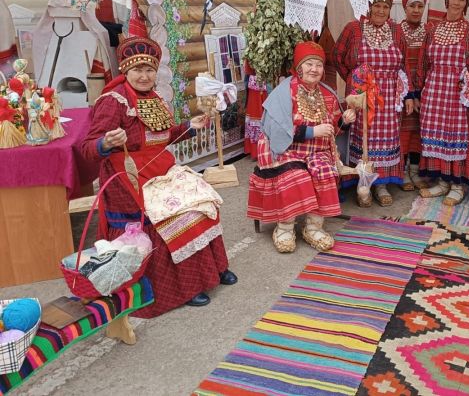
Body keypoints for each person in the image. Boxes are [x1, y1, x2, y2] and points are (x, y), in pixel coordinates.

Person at [81, 37, 236, 316]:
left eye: (149, 70)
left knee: (203, 204)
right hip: (126, 175)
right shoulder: (112, 101)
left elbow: (165, 138)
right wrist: (106, 142)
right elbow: (87, 147)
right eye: (137, 70)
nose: (144, 75)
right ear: (125, 72)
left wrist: (190, 126)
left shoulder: (155, 98)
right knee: (173, 218)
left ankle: (214, 270)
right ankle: (186, 287)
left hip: (161, 170)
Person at [247, 41, 356, 253]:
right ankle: (284, 228)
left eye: (319, 65)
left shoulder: (327, 94)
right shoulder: (284, 92)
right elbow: (277, 130)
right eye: (309, 64)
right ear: (299, 67)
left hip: (317, 151)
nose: (314, 69)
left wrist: (344, 121)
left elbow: (333, 130)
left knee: (324, 172)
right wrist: (312, 132)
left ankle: (313, 228)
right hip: (284, 149)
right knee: (296, 176)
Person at [332, 0, 407, 207]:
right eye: (377, 5)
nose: (381, 10)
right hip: (361, 94)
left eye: (385, 6)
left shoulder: (396, 30)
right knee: (363, 136)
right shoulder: (353, 28)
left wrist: (405, 92)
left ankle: (381, 183)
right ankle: (362, 180)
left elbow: (403, 63)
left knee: (386, 139)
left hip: (388, 95)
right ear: (368, 6)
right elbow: (337, 55)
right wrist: (352, 78)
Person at [414, 0, 469, 206]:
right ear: (446, 1)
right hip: (434, 91)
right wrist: (417, 92)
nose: (456, 2)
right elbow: (422, 63)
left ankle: (457, 185)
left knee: (456, 139)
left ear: (466, 4)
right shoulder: (433, 29)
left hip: (458, 94)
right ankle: (442, 182)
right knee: (436, 136)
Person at [399, 0, 430, 191]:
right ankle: (402, 172)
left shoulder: (430, 31)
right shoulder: (395, 30)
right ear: (404, 7)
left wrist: (420, 92)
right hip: (401, 89)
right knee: (402, 132)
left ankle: (416, 171)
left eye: (420, 6)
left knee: (419, 131)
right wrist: (408, 92)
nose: (416, 10)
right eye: (412, 6)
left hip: (424, 90)